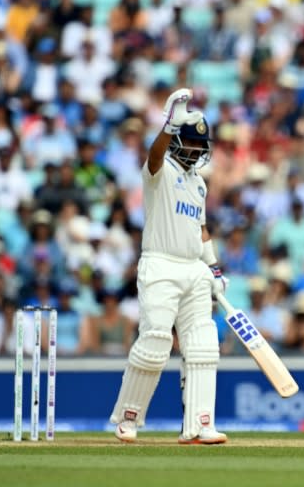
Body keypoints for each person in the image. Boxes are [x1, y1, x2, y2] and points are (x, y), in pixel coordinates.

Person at [109, 88, 229, 445]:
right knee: (157, 341)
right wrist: (169, 127)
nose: (196, 152)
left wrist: (214, 268)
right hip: (160, 264)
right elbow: (155, 155)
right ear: (178, 140)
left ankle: (200, 424)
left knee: (204, 345)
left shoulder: (199, 185)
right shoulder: (159, 172)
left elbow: (202, 229)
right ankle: (128, 418)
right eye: (190, 144)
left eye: (200, 147)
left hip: (193, 268)